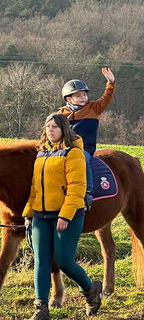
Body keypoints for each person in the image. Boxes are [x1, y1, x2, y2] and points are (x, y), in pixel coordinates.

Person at [23, 113, 102, 319]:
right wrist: (28, 213)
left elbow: (77, 188)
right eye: (48, 126)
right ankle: (41, 308)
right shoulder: (42, 153)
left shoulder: (73, 153)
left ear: (64, 130)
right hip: (41, 215)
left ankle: (90, 290)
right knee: (41, 261)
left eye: (55, 127)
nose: (50, 130)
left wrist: (65, 216)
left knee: (65, 261)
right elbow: (34, 188)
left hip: (68, 215)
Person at [59, 68, 116, 210]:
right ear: (68, 99)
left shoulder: (93, 108)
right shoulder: (61, 114)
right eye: (79, 95)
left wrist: (111, 83)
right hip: (64, 149)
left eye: (84, 94)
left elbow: (106, 98)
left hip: (84, 149)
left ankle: (86, 194)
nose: (84, 97)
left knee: (82, 160)